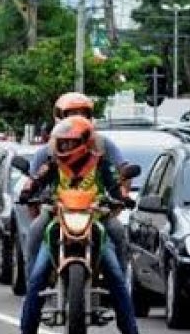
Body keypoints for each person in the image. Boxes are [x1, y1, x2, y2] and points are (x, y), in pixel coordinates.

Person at [16, 116, 143, 334]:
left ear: (84, 142)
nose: (63, 148)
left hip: (94, 223)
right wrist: (28, 193)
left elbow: (115, 185)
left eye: (68, 144)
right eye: (61, 144)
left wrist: (122, 197)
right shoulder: (53, 164)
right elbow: (35, 181)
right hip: (59, 222)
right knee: (37, 276)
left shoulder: (100, 163)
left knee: (115, 274)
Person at [23, 92, 129, 278]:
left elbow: (123, 172)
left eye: (83, 113)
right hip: (58, 211)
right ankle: (32, 285)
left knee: (118, 232)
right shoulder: (48, 152)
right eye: (72, 114)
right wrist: (32, 201)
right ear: (60, 118)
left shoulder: (102, 146)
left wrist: (119, 200)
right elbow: (33, 181)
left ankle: (122, 282)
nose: (77, 119)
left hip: (96, 211)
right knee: (35, 233)